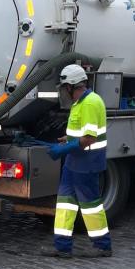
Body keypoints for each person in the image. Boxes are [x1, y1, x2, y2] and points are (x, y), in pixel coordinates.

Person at [42, 64, 112, 258]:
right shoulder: (80, 102)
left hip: (87, 164)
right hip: (74, 163)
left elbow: (90, 138)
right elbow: (81, 133)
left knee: (90, 206)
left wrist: (64, 149)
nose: (64, 91)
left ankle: (103, 246)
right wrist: (68, 140)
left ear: (72, 86)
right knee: (65, 204)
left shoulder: (89, 103)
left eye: (65, 87)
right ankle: (62, 246)